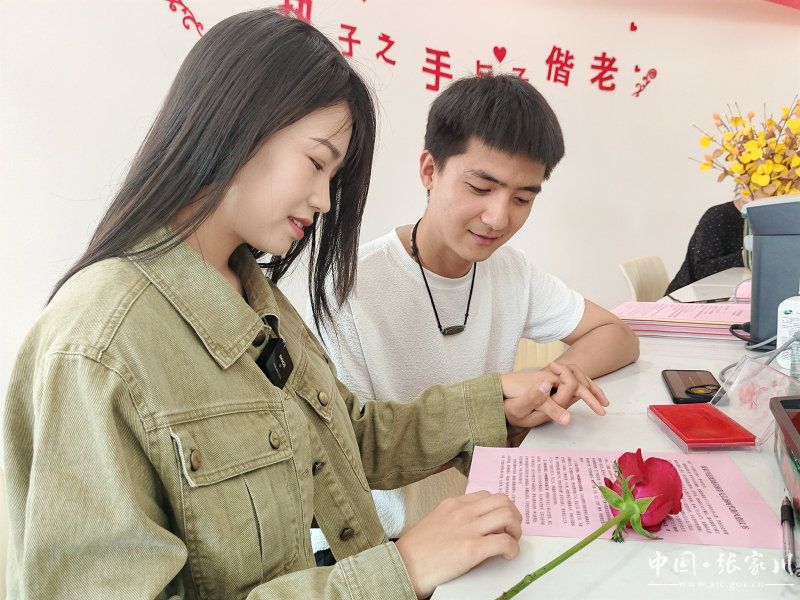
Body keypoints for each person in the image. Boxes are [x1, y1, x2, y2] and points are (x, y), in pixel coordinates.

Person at [3, 10, 608, 600]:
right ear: (234, 128)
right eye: (317, 163)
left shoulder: (254, 296)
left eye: (333, 176)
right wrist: (401, 567)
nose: (324, 200)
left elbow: (345, 438)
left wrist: (492, 402)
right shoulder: (98, 347)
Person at [309, 74, 639, 564]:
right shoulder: (349, 288)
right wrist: (497, 408)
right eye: (481, 187)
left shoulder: (510, 271)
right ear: (429, 170)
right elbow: (347, 455)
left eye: (523, 199)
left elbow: (617, 334)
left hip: (492, 511)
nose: (498, 218)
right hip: (390, 548)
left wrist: (551, 380)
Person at [666, 199, 745, 294]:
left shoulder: (760, 218)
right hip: (688, 296)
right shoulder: (717, 215)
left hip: (732, 295)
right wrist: (746, 257)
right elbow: (703, 270)